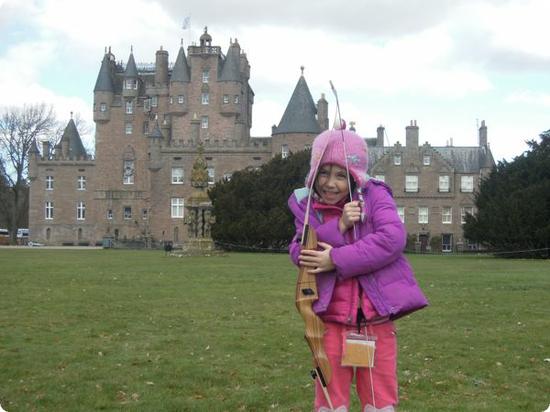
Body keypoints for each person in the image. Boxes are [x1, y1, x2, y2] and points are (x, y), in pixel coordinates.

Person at [288, 126, 428, 412]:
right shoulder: (307, 208)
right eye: (323, 173)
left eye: (341, 175)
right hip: (329, 324)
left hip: (375, 322)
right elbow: (299, 251)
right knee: (330, 402)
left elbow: (392, 239)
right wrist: (337, 228)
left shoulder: (374, 196)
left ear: (356, 176)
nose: (330, 183)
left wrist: (336, 260)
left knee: (379, 402)